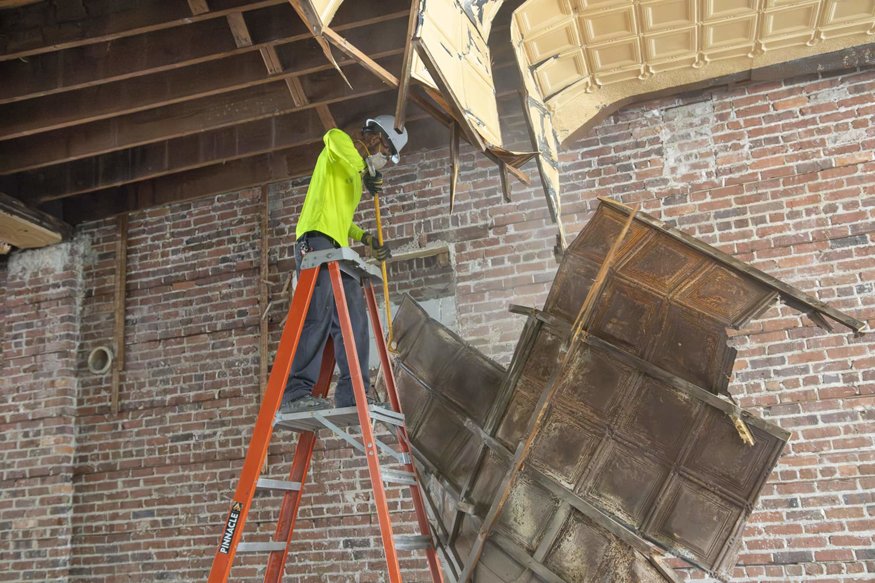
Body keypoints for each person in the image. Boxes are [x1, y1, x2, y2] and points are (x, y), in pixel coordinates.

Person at [278, 115, 408, 413]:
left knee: (354, 321)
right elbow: (332, 140)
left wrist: (367, 238)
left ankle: (353, 391)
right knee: (318, 314)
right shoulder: (338, 144)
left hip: (338, 249)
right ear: (376, 137)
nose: (384, 158)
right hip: (315, 239)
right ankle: (295, 393)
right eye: (386, 151)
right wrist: (365, 169)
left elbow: (343, 220)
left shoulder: (355, 179)